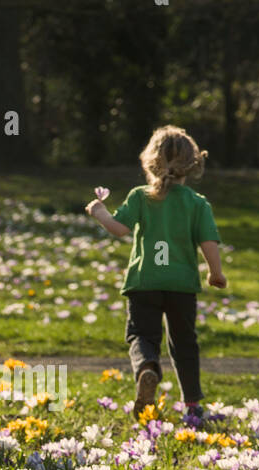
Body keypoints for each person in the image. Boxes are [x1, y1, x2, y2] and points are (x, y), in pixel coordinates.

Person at [85, 125, 227, 419]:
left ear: (149, 161)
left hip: (144, 283)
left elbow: (119, 229)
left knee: (141, 335)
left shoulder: (140, 197)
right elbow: (208, 241)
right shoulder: (197, 204)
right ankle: (192, 406)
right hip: (181, 286)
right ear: (192, 164)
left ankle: (147, 368)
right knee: (184, 343)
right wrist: (216, 272)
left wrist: (99, 212)